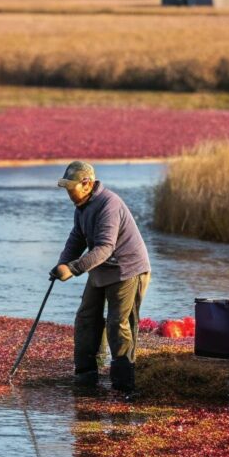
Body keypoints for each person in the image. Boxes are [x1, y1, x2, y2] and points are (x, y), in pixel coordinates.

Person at [51, 161, 151, 393]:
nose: (68, 192)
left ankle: (123, 383)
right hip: (101, 267)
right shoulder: (82, 207)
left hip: (127, 269)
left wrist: (74, 269)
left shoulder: (109, 204)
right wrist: (62, 264)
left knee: (118, 323)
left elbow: (106, 247)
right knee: (86, 317)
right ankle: (86, 374)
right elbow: (77, 238)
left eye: (71, 187)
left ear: (86, 184)